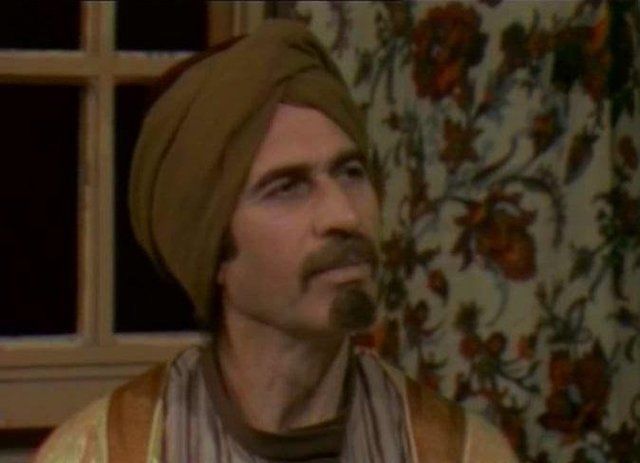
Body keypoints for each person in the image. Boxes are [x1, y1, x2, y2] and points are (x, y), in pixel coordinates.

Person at [34, 20, 518, 463]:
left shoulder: (462, 453)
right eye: (288, 187)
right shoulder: (101, 453)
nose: (345, 216)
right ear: (212, 250)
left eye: (351, 172)